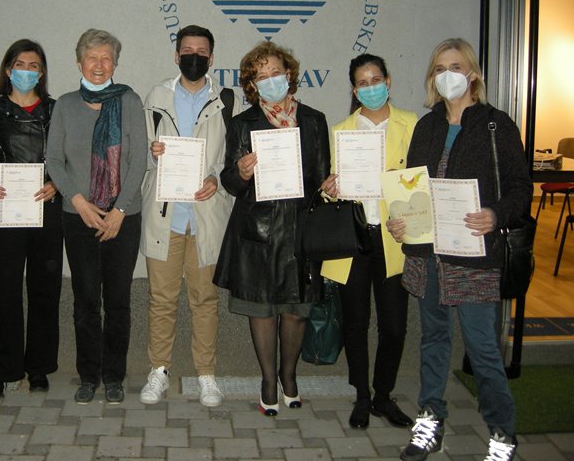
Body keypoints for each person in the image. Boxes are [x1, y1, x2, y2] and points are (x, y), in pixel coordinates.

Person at [387, 38, 531, 461]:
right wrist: (400, 220)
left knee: (483, 349)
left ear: (472, 74)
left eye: (454, 66)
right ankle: (430, 420)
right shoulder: (427, 126)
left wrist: (496, 214)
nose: (446, 75)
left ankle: (502, 433)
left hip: (474, 256)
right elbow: (411, 189)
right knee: (433, 340)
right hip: (428, 255)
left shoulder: (496, 125)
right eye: (438, 68)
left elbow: (521, 189)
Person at [213, 41, 329, 416]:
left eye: (275, 72)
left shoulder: (313, 120)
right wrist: (241, 173)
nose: (270, 80)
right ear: (252, 84)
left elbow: (322, 177)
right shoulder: (241, 123)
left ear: (289, 74)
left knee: (296, 311)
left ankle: (288, 375)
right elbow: (230, 182)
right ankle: (267, 380)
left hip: (300, 230)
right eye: (261, 76)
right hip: (258, 232)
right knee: (262, 310)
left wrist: (330, 185)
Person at [139, 24, 240, 407]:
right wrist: (153, 154)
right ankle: (158, 371)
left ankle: (206, 375)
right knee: (161, 299)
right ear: (176, 55)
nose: (193, 57)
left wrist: (217, 179)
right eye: (187, 51)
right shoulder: (157, 96)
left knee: (205, 299)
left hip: (205, 216)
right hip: (165, 215)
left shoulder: (226, 100)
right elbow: (142, 152)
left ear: (211, 58)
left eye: (201, 52)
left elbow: (231, 157)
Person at [46, 28, 146, 405]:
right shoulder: (65, 105)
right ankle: (89, 375)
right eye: (92, 57)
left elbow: (139, 161)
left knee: (118, 301)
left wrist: (119, 210)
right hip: (78, 217)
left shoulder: (129, 101)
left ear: (115, 64)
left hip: (124, 217)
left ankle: (114, 376)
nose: (99, 64)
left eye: (107, 58)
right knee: (86, 300)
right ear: (79, 63)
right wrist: (80, 202)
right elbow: (54, 161)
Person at [320, 54, 417, 429]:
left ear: (388, 82)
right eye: (363, 83)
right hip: (354, 237)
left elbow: (422, 181)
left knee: (394, 325)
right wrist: (328, 189)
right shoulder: (341, 130)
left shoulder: (411, 124)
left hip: (395, 237)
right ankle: (362, 395)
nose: (371, 87)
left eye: (376, 80)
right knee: (355, 323)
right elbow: (329, 187)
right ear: (353, 89)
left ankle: (383, 395)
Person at [0, 39, 64, 398]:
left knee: (45, 290)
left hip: (46, 210)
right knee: (4, 290)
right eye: (20, 65)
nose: (27, 71)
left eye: (34, 65)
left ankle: (38, 368)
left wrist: (57, 183)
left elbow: (71, 157)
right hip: (7, 212)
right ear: (8, 70)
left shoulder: (56, 110)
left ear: (42, 72)